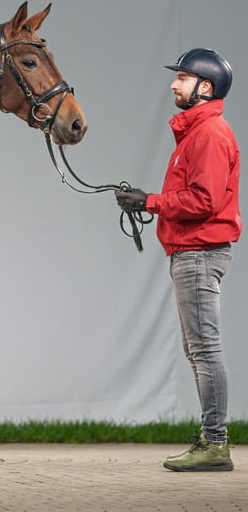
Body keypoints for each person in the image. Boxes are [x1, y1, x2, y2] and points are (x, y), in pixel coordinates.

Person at [116, 48, 240, 472]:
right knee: (199, 349)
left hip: (199, 253)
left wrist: (149, 201)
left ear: (205, 87)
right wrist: (147, 201)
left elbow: (204, 200)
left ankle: (215, 444)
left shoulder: (209, 135)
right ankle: (213, 441)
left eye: (183, 78)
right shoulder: (197, 134)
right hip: (193, 252)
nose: (174, 84)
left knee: (204, 349)